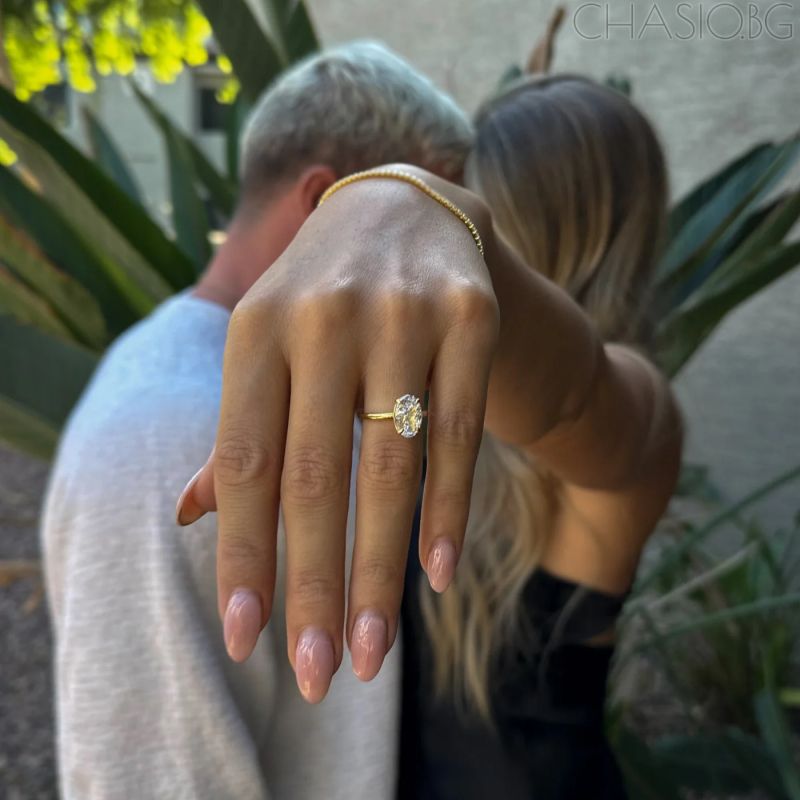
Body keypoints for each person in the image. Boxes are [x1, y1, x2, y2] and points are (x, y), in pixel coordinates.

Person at [178, 75, 682, 799]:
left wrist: (417, 206)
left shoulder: (641, 412)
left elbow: (573, 398)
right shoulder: (419, 388)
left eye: (474, 196)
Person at [40, 42, 473, 800]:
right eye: (428, 232)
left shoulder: (314, 386)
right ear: (330, 206)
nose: (450, 282)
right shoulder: (160, 433)